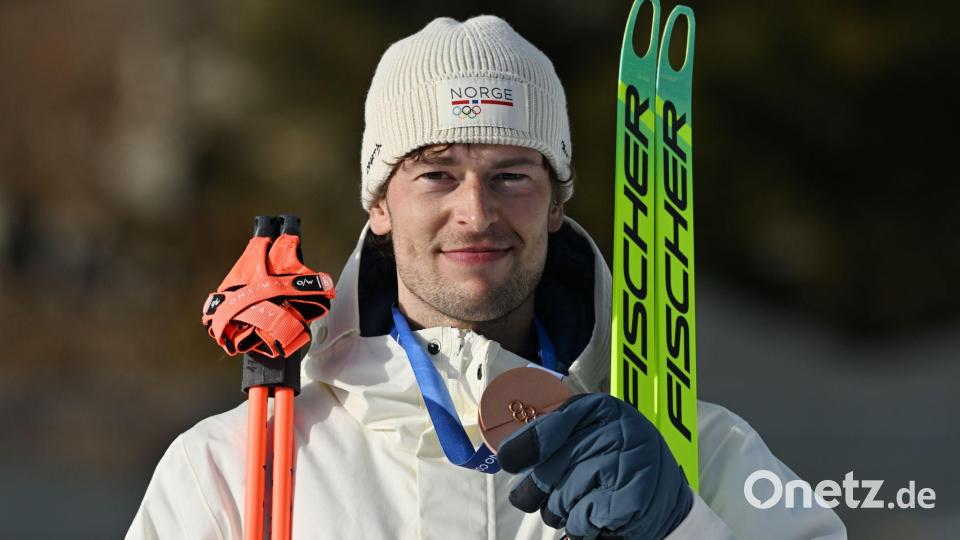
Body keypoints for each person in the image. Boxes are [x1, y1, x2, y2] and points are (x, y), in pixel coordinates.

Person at [128, 16, 847, 540]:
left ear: (557, 202)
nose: (475, 212)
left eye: (511, 176)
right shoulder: (235, 467)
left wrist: (684, 529)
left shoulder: (691, 451)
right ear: (379, 204)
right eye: (436, 174)